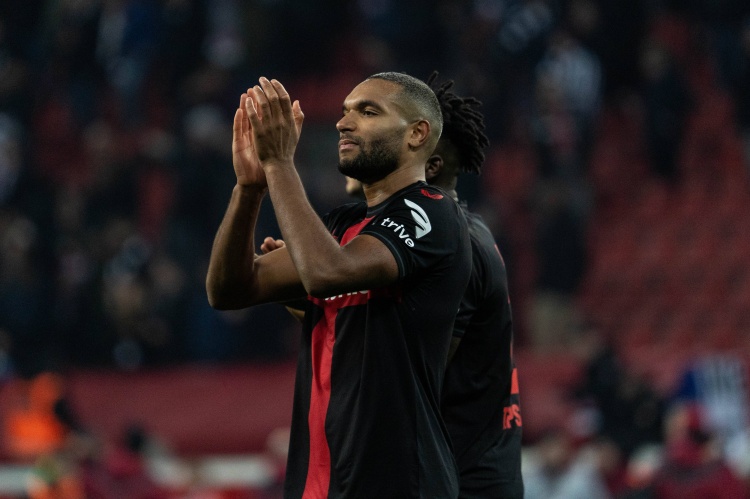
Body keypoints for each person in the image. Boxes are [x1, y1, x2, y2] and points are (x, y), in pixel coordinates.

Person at [206, 73, 472, 498]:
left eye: (368, 111)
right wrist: (250, 188)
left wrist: (279, 164)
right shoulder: (341, 225)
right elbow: (229, 291)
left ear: (417, 134)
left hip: (400, 484)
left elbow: (325, 272)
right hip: (320, 483)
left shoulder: (432, 213)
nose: (343, 123)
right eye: (345, 112)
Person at [267, 72, 525, 498]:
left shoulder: (448, 239)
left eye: (372, 118)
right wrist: (309, 294)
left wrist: (320, 278)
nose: (351, 136)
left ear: (426, 157)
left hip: (463, 476)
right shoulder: (471, 233)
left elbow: (402, 350)